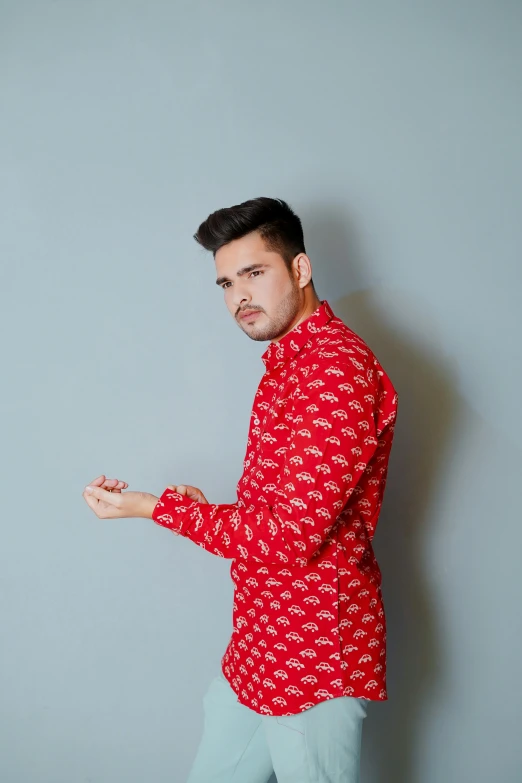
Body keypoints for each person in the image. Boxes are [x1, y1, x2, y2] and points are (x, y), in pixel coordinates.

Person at [82, 197, 399, 783]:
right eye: (226, 282)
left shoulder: (335, 372)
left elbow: (288, 538)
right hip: (258, 640)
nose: (239, 297)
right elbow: (275, 513)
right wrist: (204, 510)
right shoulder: (287, 365)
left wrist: (156, 509)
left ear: (300, 270)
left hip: (312, 652)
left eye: (255, 273)